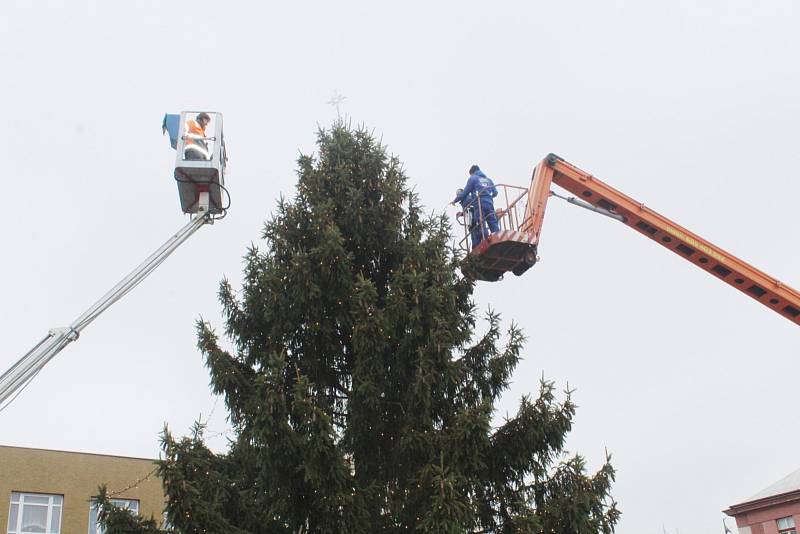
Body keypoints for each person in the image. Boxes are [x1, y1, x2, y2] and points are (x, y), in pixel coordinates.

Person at [452, 165, 499, 246]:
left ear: (472, 173)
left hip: (479, 204)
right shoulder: (488, 180)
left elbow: (464, 193)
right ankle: (497, 237)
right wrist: (489, 197)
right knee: (492, 221)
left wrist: (455, 201)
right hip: (490, 203)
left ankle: (486, 239)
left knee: (480, 222)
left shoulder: (472, 179)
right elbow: (495, 192)